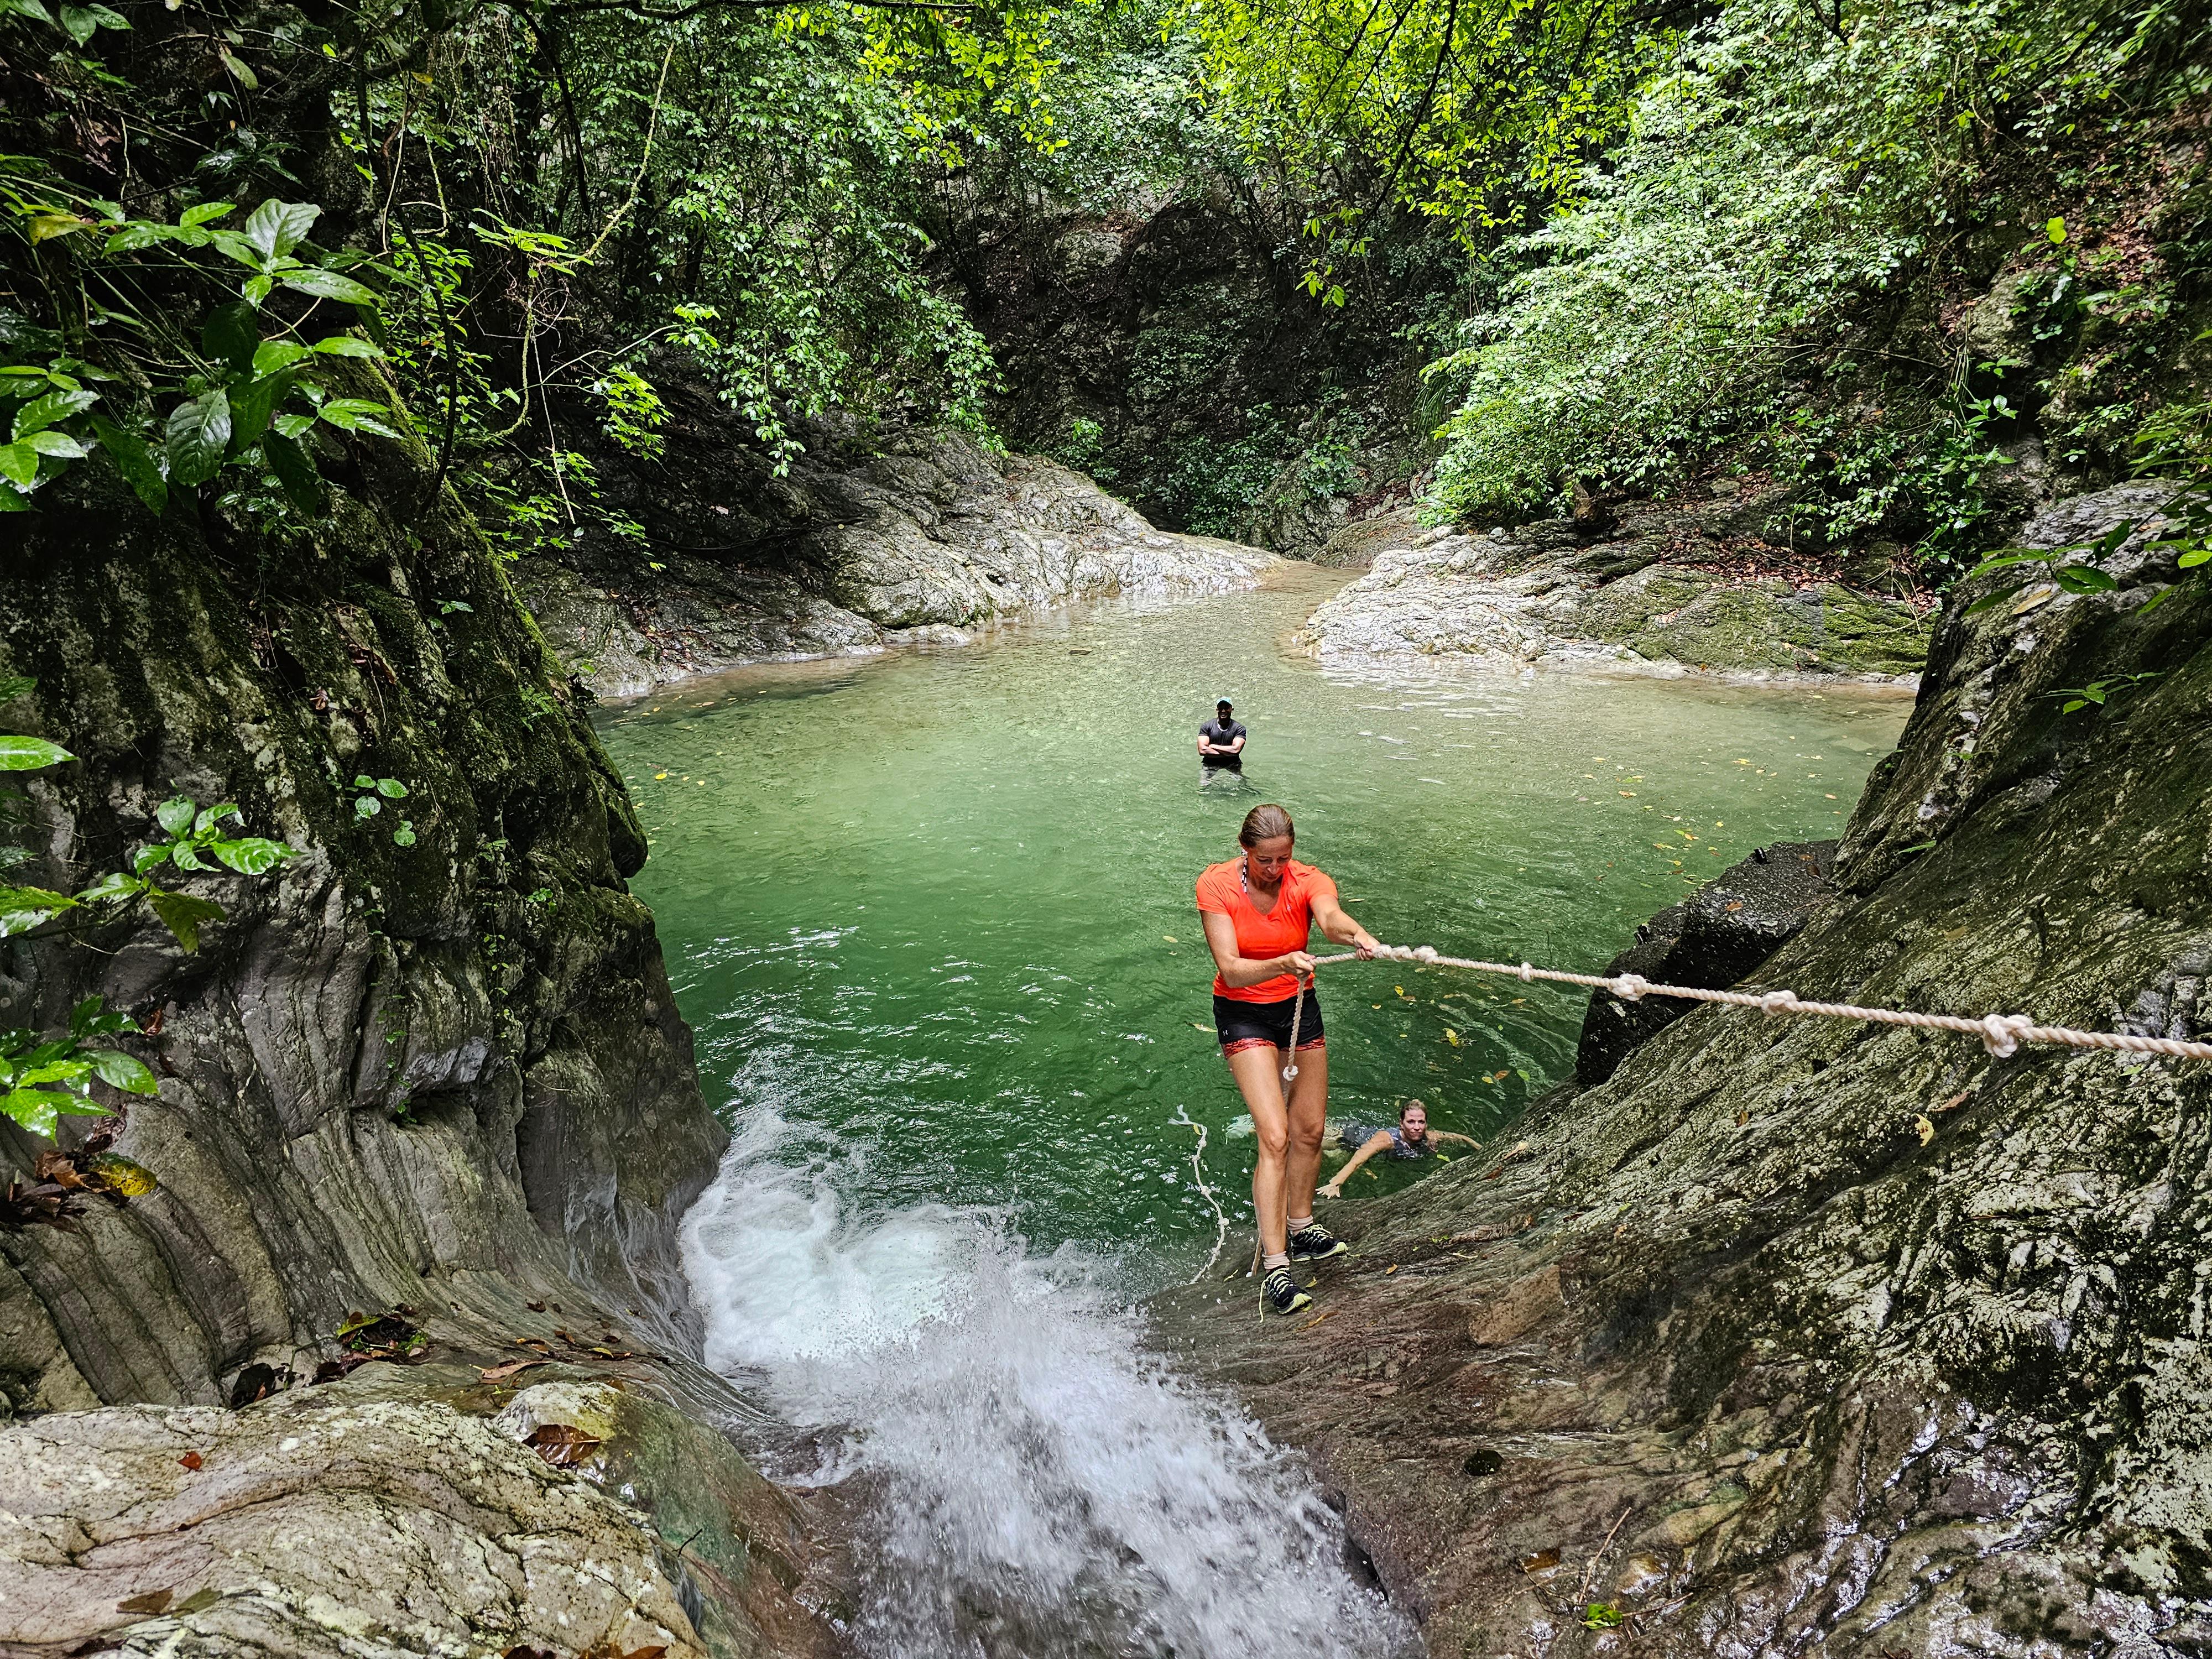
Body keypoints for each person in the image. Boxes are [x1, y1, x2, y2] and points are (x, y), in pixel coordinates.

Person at [1197, 802, 1382, 1316]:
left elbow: (1330, 918)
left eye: (1283, 858)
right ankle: (1277, 1266)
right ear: (1245, 851)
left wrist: (1359, 935)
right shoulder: (1215, 886)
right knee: (1274, 1136)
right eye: (1265, 861)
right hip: (1244, 1013)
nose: (1276, 870)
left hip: (1299, 1007)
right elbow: (1232, 971)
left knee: (1309, 1129)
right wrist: (1282, 961)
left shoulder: (1307, 879)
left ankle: (1301, 1226)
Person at [1318, 1100, 1480, 1199]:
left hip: (1359, 1139)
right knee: (1310, 1138)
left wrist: (1479, 1147)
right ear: (1401, 1124)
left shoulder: (1430, 1137)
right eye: (1411, 1122)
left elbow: (1458, 1137)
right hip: (1345, 1138)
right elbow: (1359, 1158)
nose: (1417, 1128)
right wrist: (1336, 1183)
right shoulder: (1387, 1140)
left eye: (1421, 1122)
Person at [1197, 699, 1247, 782]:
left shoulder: (1239, 728)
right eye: (1221, 708)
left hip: (1232, 763)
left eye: (1227, 708)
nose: (1223, 711)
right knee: (1203, 786)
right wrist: (1229, 754)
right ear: (1217, 710)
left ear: (1232, 709)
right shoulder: (1207, 726)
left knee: (1242, 784)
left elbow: (1236, 750)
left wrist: (1213, 746)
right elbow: (1202, 750)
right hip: (1210, 763)